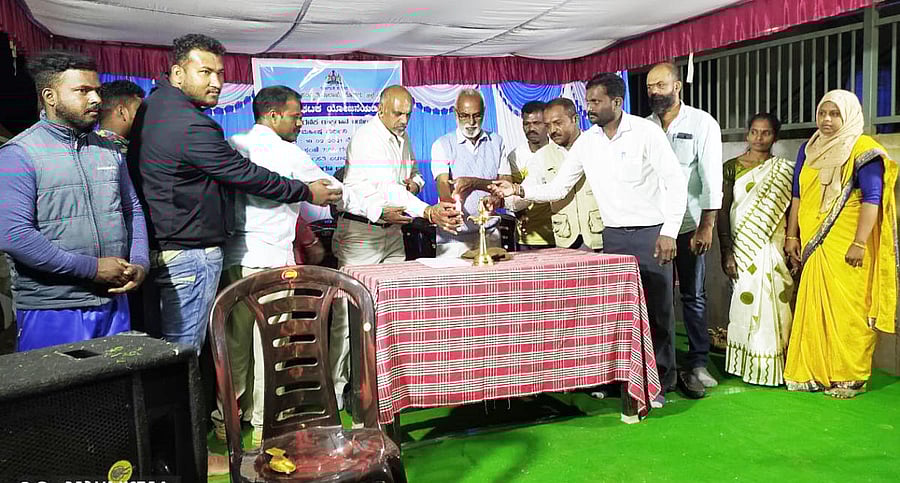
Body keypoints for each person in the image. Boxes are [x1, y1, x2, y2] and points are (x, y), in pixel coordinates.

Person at [129, 34, 341, 353]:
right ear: (177, 74)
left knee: (221, 347)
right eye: (205, 72)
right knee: (188, 352)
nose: (216, 82)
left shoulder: (153, 106)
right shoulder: (192, 124)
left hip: (171, 246)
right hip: (193, 253)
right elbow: (245, 175)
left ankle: (226, 404)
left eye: (220, 73)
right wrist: (305, 191)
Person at [491, 73, 688, 406]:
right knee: (618, 317)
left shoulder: (646, 133)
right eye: (587, 102)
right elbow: (559, 188)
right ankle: (622, 379)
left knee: (658, 314)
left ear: (617, 102)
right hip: (611, 239)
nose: (589, 108)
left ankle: (661, 382)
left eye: (595, 102)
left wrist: (669, 231)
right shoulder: (588, 142)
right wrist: (519, 189)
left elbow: (675, 182)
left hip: (652, 235)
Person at [209, 85, 347, 447]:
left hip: (235, 258)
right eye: (295, 116)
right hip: (270, 262)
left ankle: (228, 417)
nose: (300, 123)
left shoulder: (234, 143)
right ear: (272, 116)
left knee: (236, 344)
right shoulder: (286, 152)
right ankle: (266, 424)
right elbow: (330, 190)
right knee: (270, 346)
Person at [0, 50, 148, 351]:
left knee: (116, 395)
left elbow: (132, 210)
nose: (96, 99)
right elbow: (14, 235)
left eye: (97, 90)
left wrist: (141, 263)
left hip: (114, 302)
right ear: (50, 96)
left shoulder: (108, 150)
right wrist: (91, 268)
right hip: (52, 309)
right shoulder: (19, 154)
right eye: (83, 91)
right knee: (60, 398)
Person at [331, 85, 462, 407]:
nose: (403, 119)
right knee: (349, 317)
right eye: (397, 113)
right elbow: (386, 188)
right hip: (362, 234)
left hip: (393, 233)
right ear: (380, 108)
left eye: (407, 113)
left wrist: (414, 183)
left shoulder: (401, 137)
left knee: (392, 312)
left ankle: (381, 387)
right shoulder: (367, 138)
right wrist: (427, 210)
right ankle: (335, 393)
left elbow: (412, 174)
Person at [783, 89, 898, 399]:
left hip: (848, 243)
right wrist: (791, 235)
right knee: (815, 304)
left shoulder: (863, 148)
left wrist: (860, 242)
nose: (827, 120)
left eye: (834, 114)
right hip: (813, 243)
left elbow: (872, 199)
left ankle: (851, 376)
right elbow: (797, 195)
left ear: (848, 116)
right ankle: (814, 371)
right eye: (823, 113)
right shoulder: (810, 148)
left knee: (849, 309)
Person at [646, 62, 723, 390]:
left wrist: (707, 226)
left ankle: (699, 362)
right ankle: (661, 367)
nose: (654, 92)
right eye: (650, 87)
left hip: (690, 225)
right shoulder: (644, 126)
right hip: (654, 226)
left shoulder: (702, 123)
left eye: (660, 85)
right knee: (657, 297)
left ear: (677, 86)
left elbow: (711, 178)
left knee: (693, 295)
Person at [717, 113, 795, 386]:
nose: (759, 138)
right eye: (754, 132)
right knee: (745, 300)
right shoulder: (731, 167)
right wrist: (726, 251)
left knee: (777, 297)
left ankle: (775, 362)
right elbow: (723, 212)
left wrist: (791, 240)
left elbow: (792, 209)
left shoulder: (785, 170)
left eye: (766, 133)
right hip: (742, 245)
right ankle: (746, 362)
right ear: (747, 134)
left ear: (776, 137)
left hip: (771, 244)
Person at [504, 99, 603, 252]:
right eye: (548, 125)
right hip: (565, 239)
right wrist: (504, 198)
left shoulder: (596, 145)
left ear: (575, 119)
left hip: (600, 236)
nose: (552, 130)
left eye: (558, 123)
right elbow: (529, 188)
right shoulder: (542, 155)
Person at [431, 89, 512, 258]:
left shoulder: (497, 142)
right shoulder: (442, 144)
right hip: (454, 239)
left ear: (484, 112)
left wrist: (495, 197)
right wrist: (450, 208)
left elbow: (506, 184)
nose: (471, 122)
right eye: (464, 116)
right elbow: (443, 184)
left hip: (490, 234)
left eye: (477, 115)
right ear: (455, 113)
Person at [504, 101, 554, 249]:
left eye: (537, 123)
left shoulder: (558, 151)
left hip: (561, 233)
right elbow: (513, 196)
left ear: (547, 124)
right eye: (527, 124)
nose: (531, 128)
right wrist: (519, 213)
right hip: (529, 236)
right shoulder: (516, 156)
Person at [95, 80, 145, 154]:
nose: (144, 116)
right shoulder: (126, 155)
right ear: (121, 111)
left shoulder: (88, 146)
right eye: (139, 110)